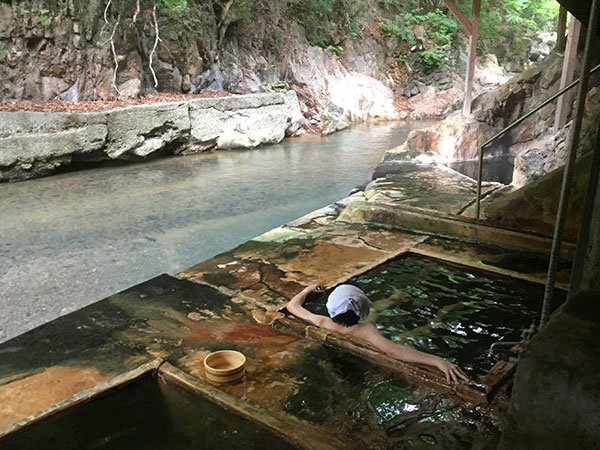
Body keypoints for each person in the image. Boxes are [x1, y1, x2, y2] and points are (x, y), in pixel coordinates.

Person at [285, 284, 470, 384]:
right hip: (367, 367)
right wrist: (438, 360)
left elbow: (292, 306)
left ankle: (395, 298)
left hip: (338, 364)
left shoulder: (322, 321)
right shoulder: (366, 330)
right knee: (420, 330)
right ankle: (443, 313)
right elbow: (393, 351)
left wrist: (307, 290)